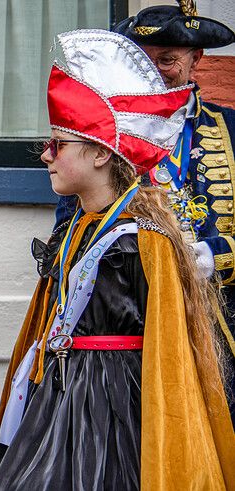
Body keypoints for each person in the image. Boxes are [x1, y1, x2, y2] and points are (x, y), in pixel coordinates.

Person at [0, 30, 235, 491]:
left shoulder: (145, 240)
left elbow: (172, 356)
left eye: (58, 144)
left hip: (118, 407)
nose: (45, 155)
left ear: (100, 153)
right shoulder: (77, 227)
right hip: (58, 396)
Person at [55, 1, 235, 419]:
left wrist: (211, 257)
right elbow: (68, 233)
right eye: (145, 60)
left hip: (224, 327)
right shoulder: (102, 134)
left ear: (196, 60)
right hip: (135, 329)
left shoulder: (232, 129)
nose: (155, 71)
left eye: (168, 60)